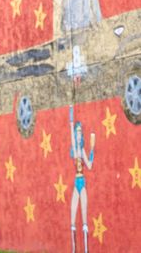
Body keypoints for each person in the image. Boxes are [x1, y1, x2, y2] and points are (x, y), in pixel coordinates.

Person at [69, 106, 95, 253]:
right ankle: (74, 249)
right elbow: (72, 137)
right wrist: (71, 118)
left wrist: (92, 152)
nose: (78, 135)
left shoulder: (83, 150)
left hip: (82, 182)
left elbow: (90, 166)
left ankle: (85, 250)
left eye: (80, 133)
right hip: (75, 182)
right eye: (77, 133)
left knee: (84, 219)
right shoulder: (75, 148)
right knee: (73, 219)